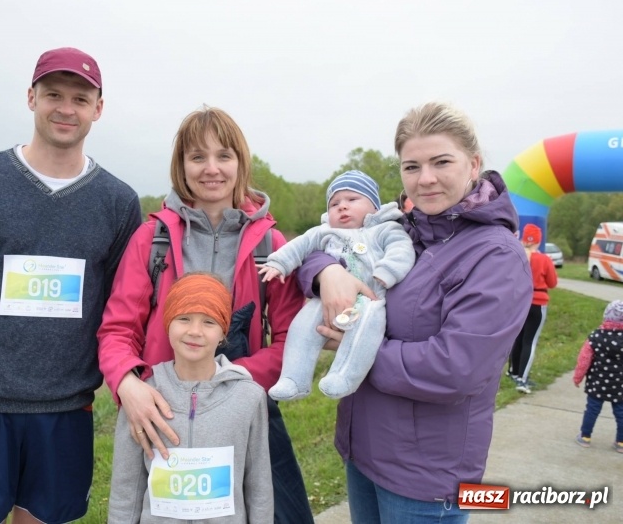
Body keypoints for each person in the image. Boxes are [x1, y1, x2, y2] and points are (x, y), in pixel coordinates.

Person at [0, 47, 142, 523]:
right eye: (53, 94)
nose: (66, 108)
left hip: (65, 408)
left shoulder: (118, 202)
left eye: (80, 99)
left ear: (98, 108)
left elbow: (122, 309)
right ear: (31, 98)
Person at [297, 101, 532, 523]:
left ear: (473, 164)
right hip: (363, 454)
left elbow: (455, 368)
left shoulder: (496, 256)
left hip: (426, 479)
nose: (425, 179)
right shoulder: (402, 231)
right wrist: (327, 272)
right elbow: (321, 247)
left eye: (441, 162)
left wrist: (356, 349)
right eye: (411, 166)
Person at [98, 106, 314, 523]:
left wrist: (238, 385)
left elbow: (293, 339)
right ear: (181, 165)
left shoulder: (271, 243)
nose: (211, 168)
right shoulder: (152, 240)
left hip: (245, 407)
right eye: (198, 157)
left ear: (241, 162)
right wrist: (130, 385)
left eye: (224, 156)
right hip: (162, 408)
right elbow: (117, 329)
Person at [108, 273, 273, 522]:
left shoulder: (249, 398)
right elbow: (125, 491)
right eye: (184, 319)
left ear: (223, 332)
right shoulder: (141, 398)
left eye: (209, 322)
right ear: (168, 324)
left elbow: (258, 488)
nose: (195, 331)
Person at [259, 170, 414, 401]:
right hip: (326, 300)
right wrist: (278, 263)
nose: (342, 207)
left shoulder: (386, 229)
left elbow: (402, 250)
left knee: (366, 332)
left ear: (374, 206)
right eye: (334, 203)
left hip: (370, 299)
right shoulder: (324, 232)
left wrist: (387, 271)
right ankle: (293, 378)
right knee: (302, 326)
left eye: (352, 200)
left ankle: (344, 376)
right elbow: (298, 246)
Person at [507, 223, 558, 393]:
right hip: (538, 302)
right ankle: (523, 379)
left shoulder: (517, 255)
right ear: (538, 240)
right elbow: (552, 283)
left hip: (520, 302)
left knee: (518, 337)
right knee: (530, 340)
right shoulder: (544, 259)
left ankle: (513, 372)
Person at [573, 299, 623, 454]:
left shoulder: (595, 336)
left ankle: (585, 437)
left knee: (592, 410)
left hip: (597, 382)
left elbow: (584, 359)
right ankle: (621, 442)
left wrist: (578, 377)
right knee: (621, 413)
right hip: (620, 385)